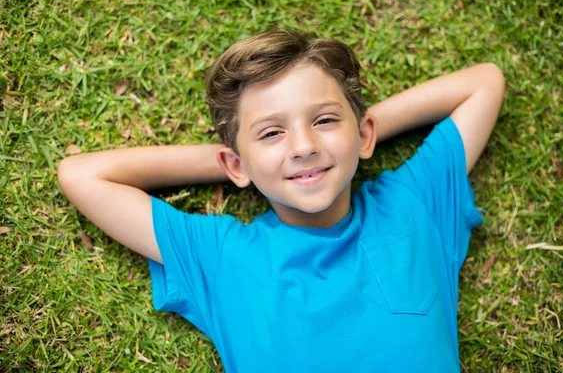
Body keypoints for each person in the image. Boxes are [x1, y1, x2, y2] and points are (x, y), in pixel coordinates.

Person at [58, 29, 505, 372]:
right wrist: (243, 160)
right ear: (235, 166)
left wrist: (352, 132)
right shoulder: (222, 258)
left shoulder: (412, 204)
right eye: (272, 132)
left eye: (324, 120)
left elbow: (483, 83)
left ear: (365, 133)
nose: (303, 146)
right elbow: (82, 174)